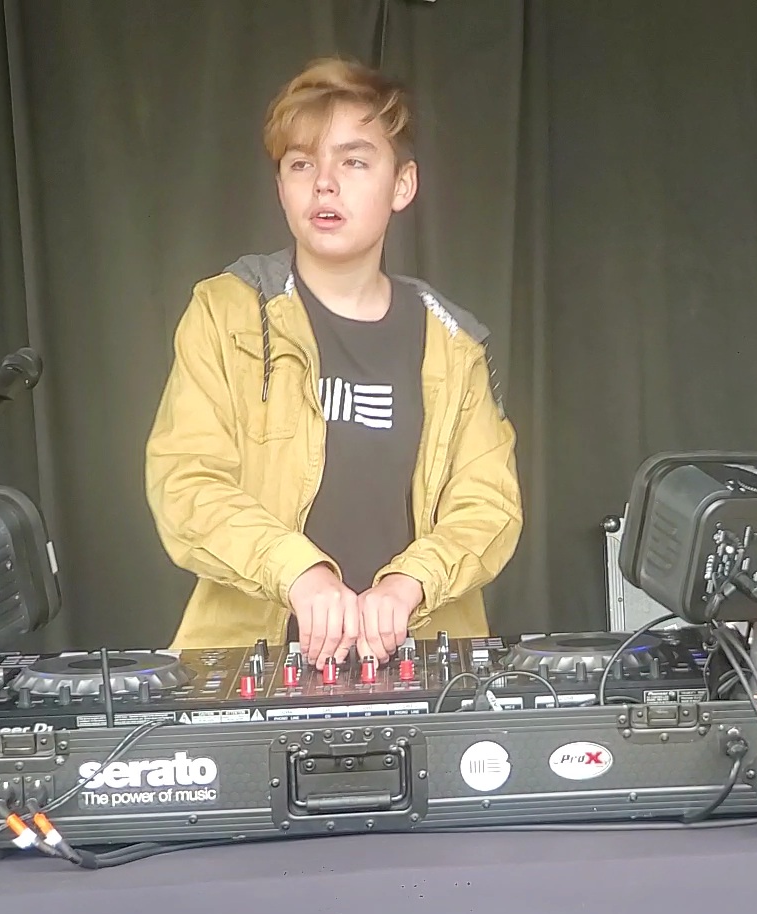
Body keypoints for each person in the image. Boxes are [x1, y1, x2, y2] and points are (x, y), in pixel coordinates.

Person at [145, 57, 521, 665]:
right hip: (250, 665)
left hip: (426, 663)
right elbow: (185, 482)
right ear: (281, 187)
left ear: (402, 185)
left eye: (353, 161)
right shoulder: (224, 311)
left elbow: (489, 504)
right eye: (301, 163)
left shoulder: (455, 344)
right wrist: (300, 574)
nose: (324, 183)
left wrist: (409, 584)